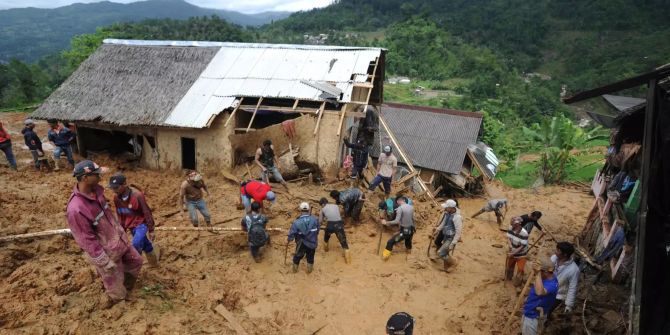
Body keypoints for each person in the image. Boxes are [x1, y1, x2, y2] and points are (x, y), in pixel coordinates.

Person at [66, 160, 143, 303]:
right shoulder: (76, 209)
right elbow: (86, 240)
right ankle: (118, 302)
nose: (100, 177)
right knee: (116, 290)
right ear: (85, 178)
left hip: (119, 241)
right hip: (107, 252)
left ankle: (126, 287)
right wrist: (104, 261)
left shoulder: (97, 192)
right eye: (97, 174)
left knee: (136, 261)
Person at [109, 174, 159, 267]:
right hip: (130, 225)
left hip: (141, 224)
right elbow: (120, 215)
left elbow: (147, 212)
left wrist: (151, 229)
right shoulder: (116, 198)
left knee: (136, 243)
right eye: (113, 188)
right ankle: (154, 263)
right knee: (145, 244)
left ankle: (134, 265)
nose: (114, 190)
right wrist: (121, 230)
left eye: (116, 187)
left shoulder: (137, 195)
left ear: (124, 184)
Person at [521, 257, 559, 335]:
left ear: (545, 272)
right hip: (530, 310)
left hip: (533, 317)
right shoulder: (549, 277)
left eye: (538, 271)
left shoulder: (552, 284)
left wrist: (537, 274)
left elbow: (539, 292)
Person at [287, 202, 319, 273]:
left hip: (302, 243)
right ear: (308, 210)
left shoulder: (296, 222)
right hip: (312, 243)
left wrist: (289, 239)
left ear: (300, 210)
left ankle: (294, 272)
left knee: (297, 257)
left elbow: (292, 233)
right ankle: (309, 271)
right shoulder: (315, 220)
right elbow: (317, 231)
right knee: (310, 258)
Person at [432, 199, 463, 272]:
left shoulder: (457, 217)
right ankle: (446, 268)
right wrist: (437, 230)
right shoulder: (447, 213)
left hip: (451, 238)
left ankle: (454, 263)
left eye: (446, 207)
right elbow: (443, 223)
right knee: (445, 252)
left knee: (440, 253)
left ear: (451, 208)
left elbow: (458, 232)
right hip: (446, 235)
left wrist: (453, 243)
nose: (445, 208)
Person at [550, 242, 580, 315]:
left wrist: (569, 305)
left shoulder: (574, 270)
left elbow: (572, 287)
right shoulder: (553, 258)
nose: (555, 252)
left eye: (558, 250)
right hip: (547, 290)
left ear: (565, 254)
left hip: (557, 295)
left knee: (546, 312)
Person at [318, 198, 351, 264]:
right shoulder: (336, 206)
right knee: (343, 242)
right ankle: (348, 261)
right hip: (339, 225)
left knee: (326, 238)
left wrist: (320, 225)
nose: (321, 206)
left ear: (323, 204)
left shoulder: (322, 209)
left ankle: (326, 249)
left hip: (330, 225)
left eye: (321, 205)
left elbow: (320, 221)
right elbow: (337, 214)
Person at [506, 217, 529, 283]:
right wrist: (510, 244)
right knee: (509, 266)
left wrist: (512, 253)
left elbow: (522, 246)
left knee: (520, 269)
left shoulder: (524, 233)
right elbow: (509, 237)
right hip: (512, 250)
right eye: (512, 224)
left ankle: (517, 282)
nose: (512, 226)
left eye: (513, 224)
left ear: (518, 224)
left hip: (521, 254)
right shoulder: (510, 228)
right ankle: (508, 278)